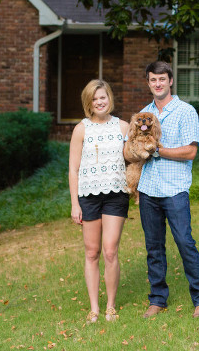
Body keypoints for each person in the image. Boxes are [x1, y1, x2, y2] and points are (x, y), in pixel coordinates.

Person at [135, 61, 199, 319]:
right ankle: (157, 299)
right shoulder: (142, 115)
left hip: (175, 190)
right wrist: (134, 150)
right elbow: (131, 150)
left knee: (184, 242)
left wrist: (158, 150)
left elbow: (191, 151)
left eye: (162, 79)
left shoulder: (185, 111)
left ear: (170, 81)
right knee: (153, 247)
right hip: (148, 191)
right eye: (153, 80)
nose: (158, 84)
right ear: (148, 83)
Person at [69, 79, 131, 323]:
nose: (100, 102)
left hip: (116, 194)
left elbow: (134, 157)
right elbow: (73, 170)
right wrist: (75, 204)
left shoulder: (123, 127)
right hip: (88, 196)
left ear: (109, 99)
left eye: (103, 97)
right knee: (92, 252)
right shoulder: (81, 130)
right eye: (95, 99)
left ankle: (111, 306)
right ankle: (94, 307)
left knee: (110, 250)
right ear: (89, 103)